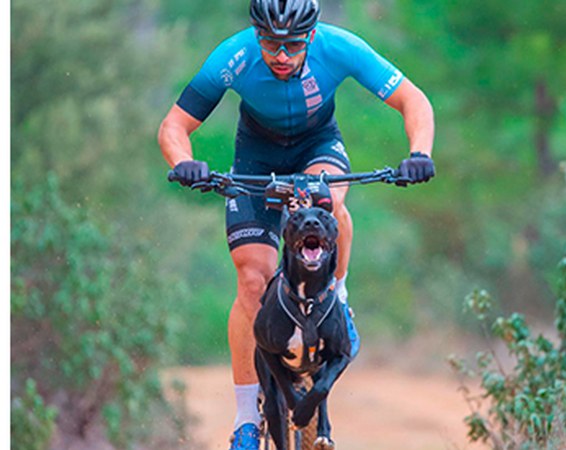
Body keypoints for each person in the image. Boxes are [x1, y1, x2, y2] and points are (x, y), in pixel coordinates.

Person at [158, 0, 435, 448]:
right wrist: (184, 162)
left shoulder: (339, 47)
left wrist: (419, 153)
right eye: (270, 42)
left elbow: (412, 99)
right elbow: (174, 125)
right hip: (256, 159)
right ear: (255, 34)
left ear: (311, 33)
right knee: (252, 280)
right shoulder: (234, 57)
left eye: (292, 44)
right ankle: (247, 420)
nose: (281, 54)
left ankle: (337, 299)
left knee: (325, 200)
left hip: (317, 147)